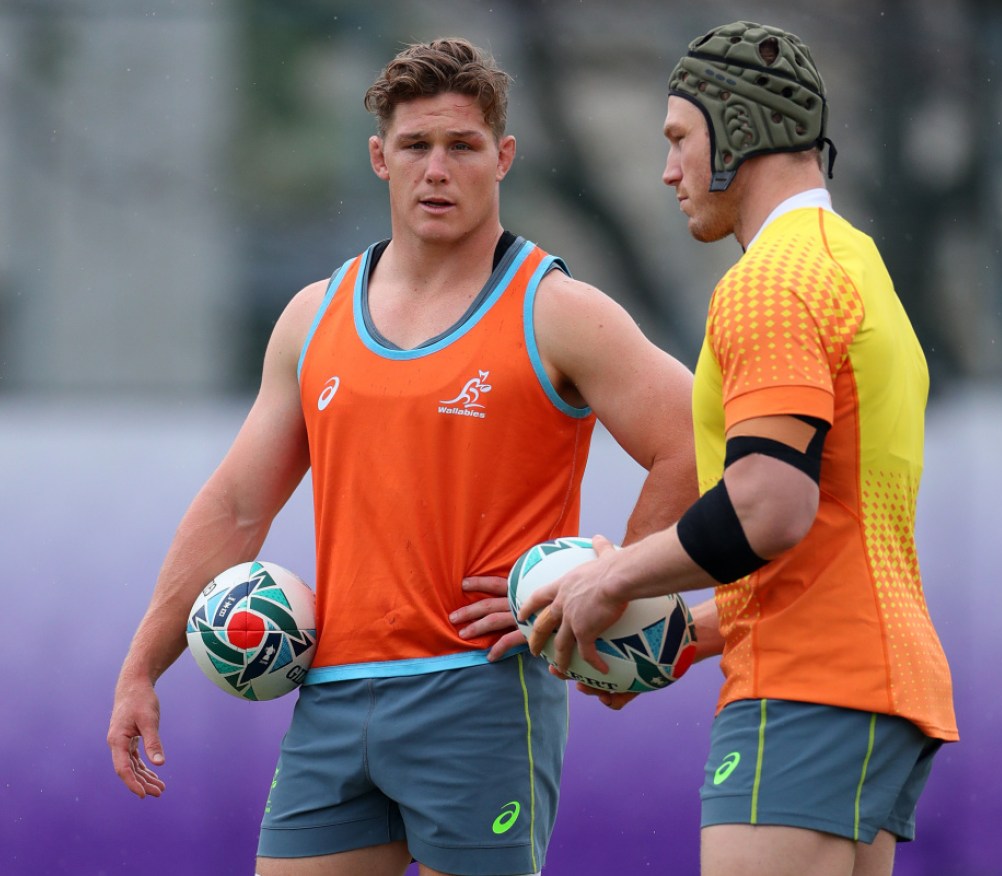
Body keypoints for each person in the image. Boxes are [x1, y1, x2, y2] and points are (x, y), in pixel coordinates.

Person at [106, 37, 696, 876]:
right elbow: (239, 506)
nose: (437, 169)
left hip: (482, 691)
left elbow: (694, 448)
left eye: (462, 146)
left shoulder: (558, 311)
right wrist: (141, 668)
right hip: (331, 699)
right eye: (416, 146)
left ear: (504, 157)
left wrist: (608, 588)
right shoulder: (313, 317)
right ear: (380, 158)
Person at [521, 21, 959, 876]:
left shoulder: (769, 281)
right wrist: (681, 631)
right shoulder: (857, 266)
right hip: (875, 686)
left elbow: (770, 506)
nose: (667, 169)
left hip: (807, 686)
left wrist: (613, 576)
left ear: (739, 132)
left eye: (679, 139)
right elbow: (828, 533)